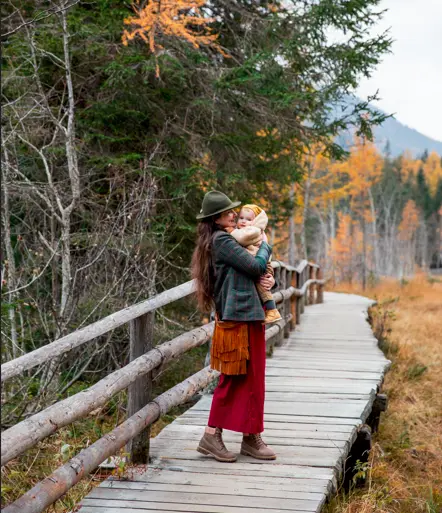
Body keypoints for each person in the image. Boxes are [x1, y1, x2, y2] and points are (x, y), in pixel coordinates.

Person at [191, 190, 277, 463]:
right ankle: (210, 435)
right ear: (217, 218)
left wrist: (268, 281)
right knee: (233, 378)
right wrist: (266, 244)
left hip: (248, 314)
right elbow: (254, 266)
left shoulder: (228, 240)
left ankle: (251, 436)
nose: (234, 215)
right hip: (237, 317)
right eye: (229, 212)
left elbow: (253, 273)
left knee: (253, 379)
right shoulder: (221, 241)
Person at [227, 204, 282, 324]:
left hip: (261, 264)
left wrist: (231, 231)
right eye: (241, 218)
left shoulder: (253, 231)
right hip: (257, 264)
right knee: (262, 283)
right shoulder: (248, 231)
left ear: (256, 221)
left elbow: (242, 238)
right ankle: (271, 310)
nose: (243, 221)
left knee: (261, 283)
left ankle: (272, 310)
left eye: (248, 219)